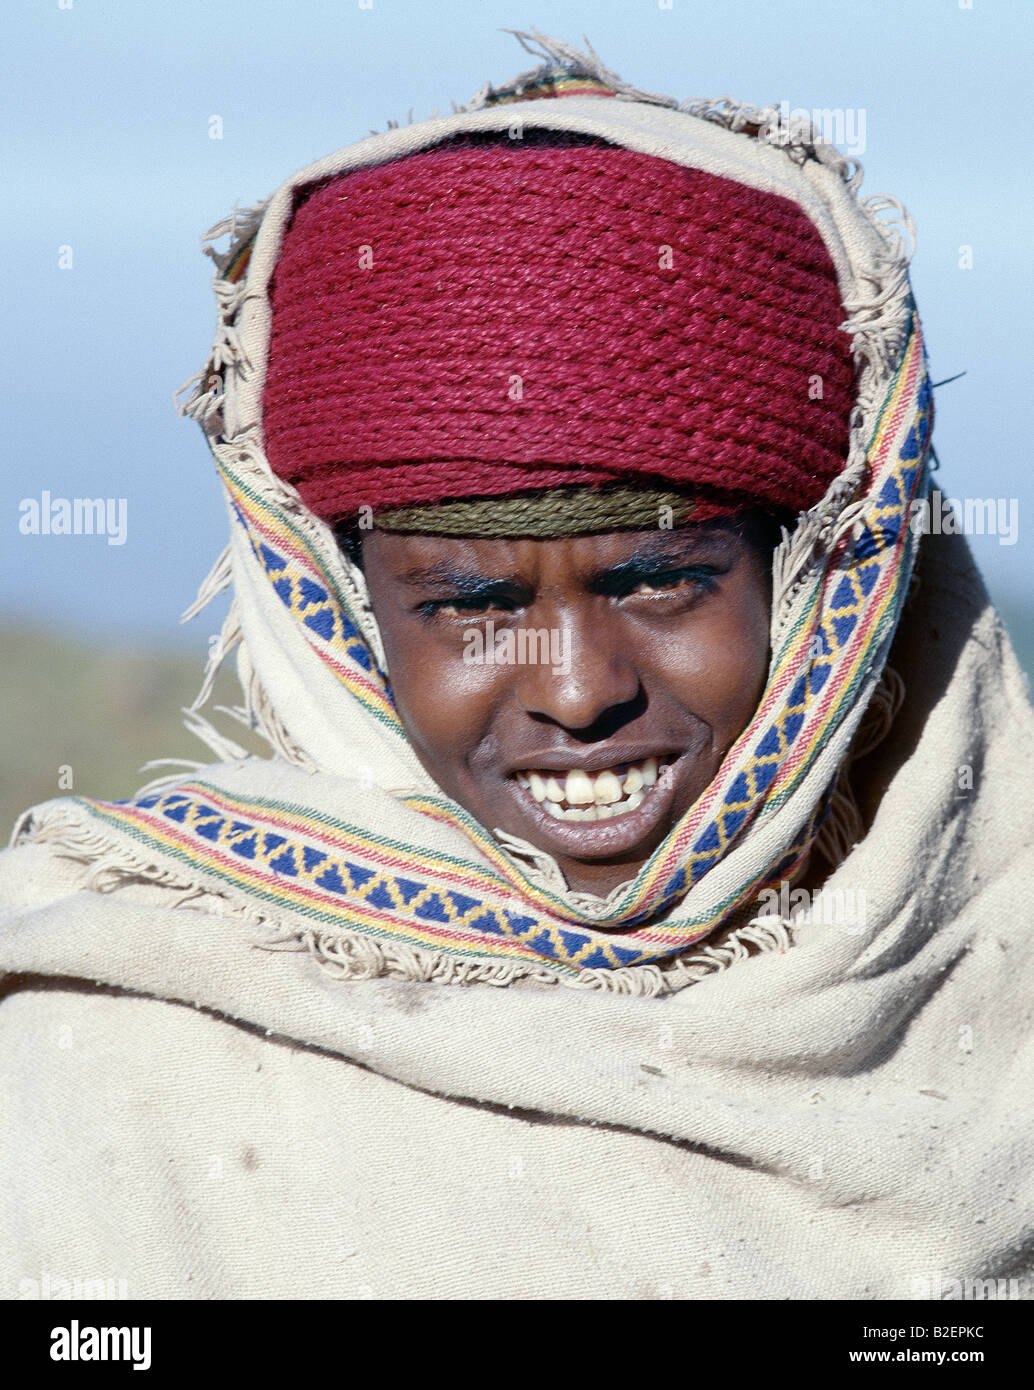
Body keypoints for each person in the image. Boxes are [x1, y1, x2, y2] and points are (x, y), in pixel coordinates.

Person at [1, 30, 1032, 1301]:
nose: (578, 688)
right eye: (472, 604)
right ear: (333, 608)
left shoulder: (998, 1007)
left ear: (825, 578)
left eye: (661, 579)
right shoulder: (112, 1066)